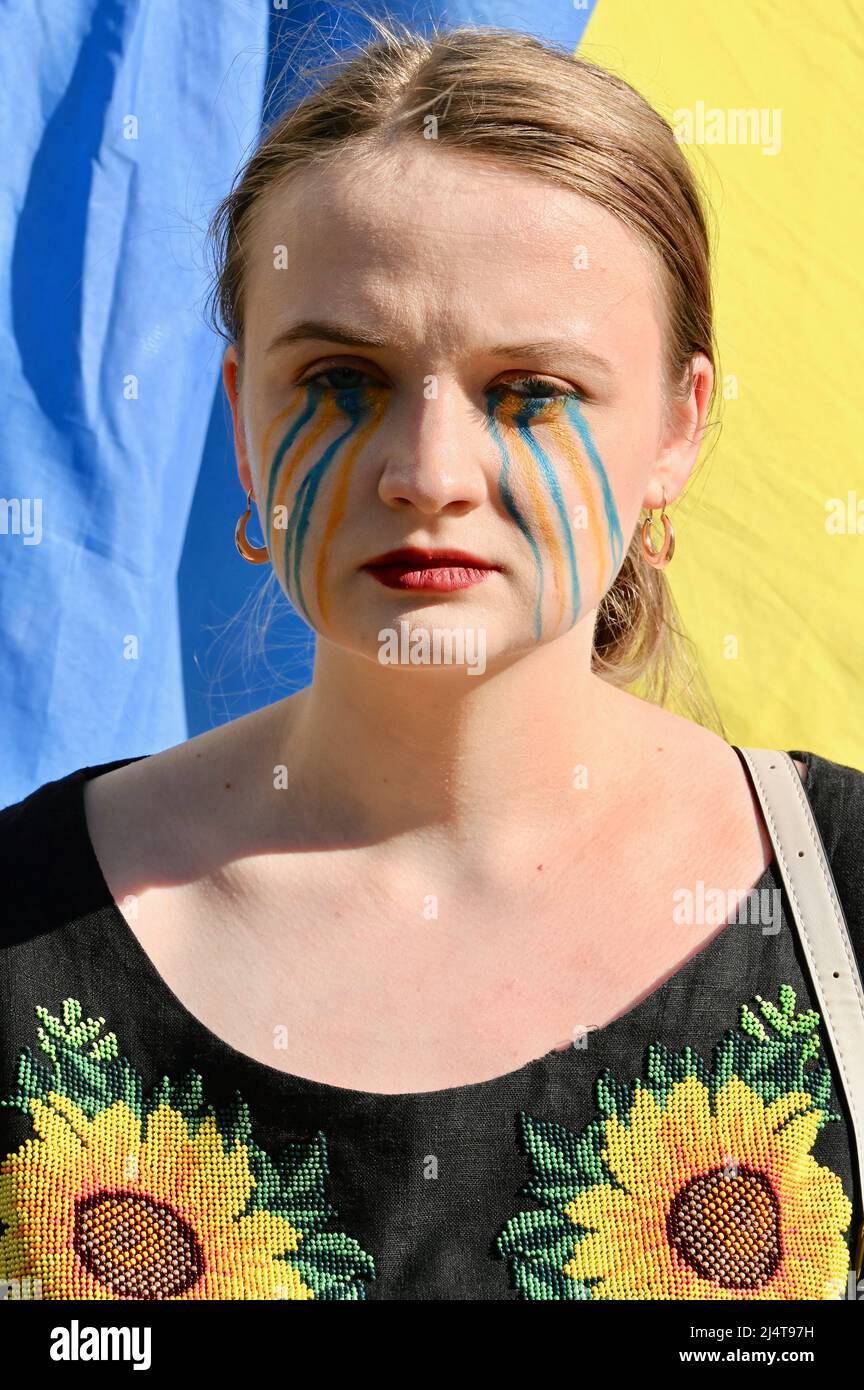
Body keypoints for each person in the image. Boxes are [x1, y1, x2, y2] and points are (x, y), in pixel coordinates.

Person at [1, 21, 862, 1303]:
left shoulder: (843, 902)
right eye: (343, 377)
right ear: (241, 417)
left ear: (677, 427)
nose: (427, 474)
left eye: (533, 390)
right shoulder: (20, 927)